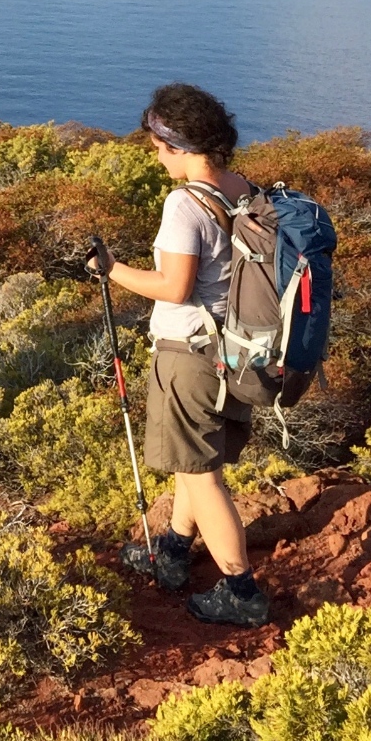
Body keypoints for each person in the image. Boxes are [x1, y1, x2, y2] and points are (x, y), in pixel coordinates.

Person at [87, 82, 270, 627]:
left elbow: (173, 286)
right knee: (196, 464)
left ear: (181, 145)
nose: (157, 156)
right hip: (237, 353)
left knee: (201, 475)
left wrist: (111, 269)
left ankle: (241, 589)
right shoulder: (244, 189)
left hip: (190, 355)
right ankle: (171, 551)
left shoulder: (184, 203)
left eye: (160, 146)